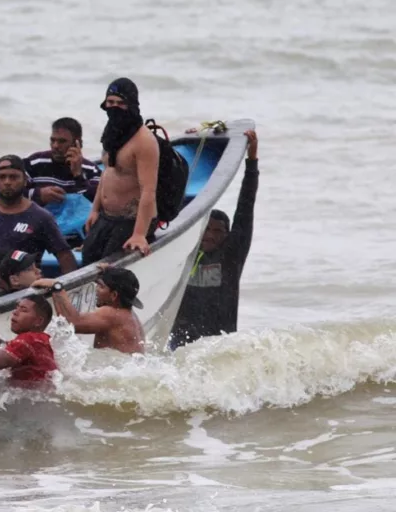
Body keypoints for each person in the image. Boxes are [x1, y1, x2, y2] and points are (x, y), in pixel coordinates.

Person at [171, 129, 260, 348]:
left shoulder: (232, 254)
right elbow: (178, 204)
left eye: (217, 231)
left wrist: (252, 159)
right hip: (180, 343)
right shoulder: (186, 249)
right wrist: (196, 148)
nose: (209, 235)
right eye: (206, 229)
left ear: (227, 236)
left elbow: (245, 207)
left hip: (220, 344)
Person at [82, 78, 160, 265]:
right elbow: (107, 172)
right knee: (88, 259)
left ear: (131, 105)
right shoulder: (112, 132)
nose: (114, 107)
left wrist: (139, 234)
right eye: (110, 102)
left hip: (131, 220)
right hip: (106, 216)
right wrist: (95, 209)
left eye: (120, 103)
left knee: (108, 269)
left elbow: (148, 190)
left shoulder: (144, 141)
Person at [34, 266, 145, 354]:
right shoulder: (130, 314)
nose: (96, 290)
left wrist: (57, 287)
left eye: (101, 286)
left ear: (114, 295)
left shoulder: (111, 314)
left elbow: (71, 323)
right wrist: (111, 270)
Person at [26, 117, 102, 205]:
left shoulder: (92, 169)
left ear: (77, 143)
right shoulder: (35, 162)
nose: (55, 146)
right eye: (52, 140)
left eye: (62, 141)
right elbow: (11, 192)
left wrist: (78, 175)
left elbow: (96, 202)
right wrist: (38, 194)